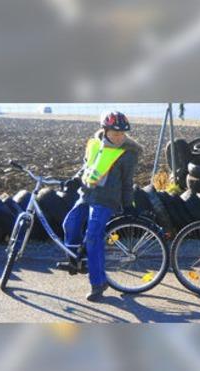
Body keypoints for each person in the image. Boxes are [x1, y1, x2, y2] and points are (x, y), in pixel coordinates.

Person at [57, 111, 143, 302]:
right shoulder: (95, 144)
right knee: (69, 224)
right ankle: (75, 261)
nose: (119, 137)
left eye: (122, 134)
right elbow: (88, 167)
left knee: (93, 237)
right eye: (115, 133)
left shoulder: (127, 154)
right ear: (105, 130)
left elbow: (127, 183)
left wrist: (129, 205)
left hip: (106, 200)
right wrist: (75, 179)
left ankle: (98, 283)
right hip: (87, 195)